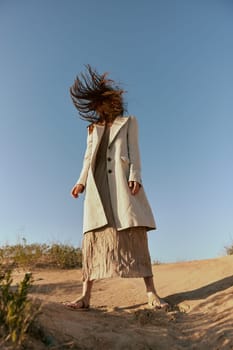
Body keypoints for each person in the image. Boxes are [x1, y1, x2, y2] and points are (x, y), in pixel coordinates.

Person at [65, 65, 168, 310]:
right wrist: (80, 182)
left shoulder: (129, 122)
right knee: (93, 238)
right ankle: (85, 297)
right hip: (98, 187)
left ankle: (151, 293)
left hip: (122, 185)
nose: (98, 108)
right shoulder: (92, 129)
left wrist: (136, 174)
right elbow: (87, 158)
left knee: (133, 233)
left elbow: (134, 151)